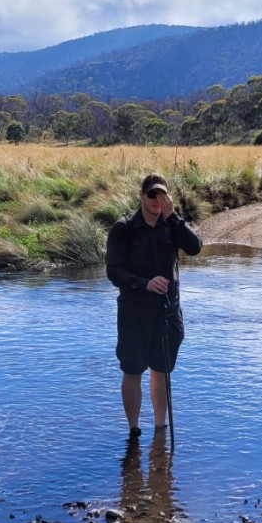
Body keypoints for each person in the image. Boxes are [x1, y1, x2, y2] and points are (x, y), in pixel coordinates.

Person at [106, 174, 202, 437]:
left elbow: (195, 248)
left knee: (161, 371)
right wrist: (144, 284)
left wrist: (174, 216)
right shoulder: (123, 228)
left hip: (168, 313)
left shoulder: (173, 224)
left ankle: (160, 430)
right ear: (142, 195)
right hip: (134, 312)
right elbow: (113, 272)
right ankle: (134, 430)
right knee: (133, 370)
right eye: (152, 194)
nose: (157, 200)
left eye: (162, 194)